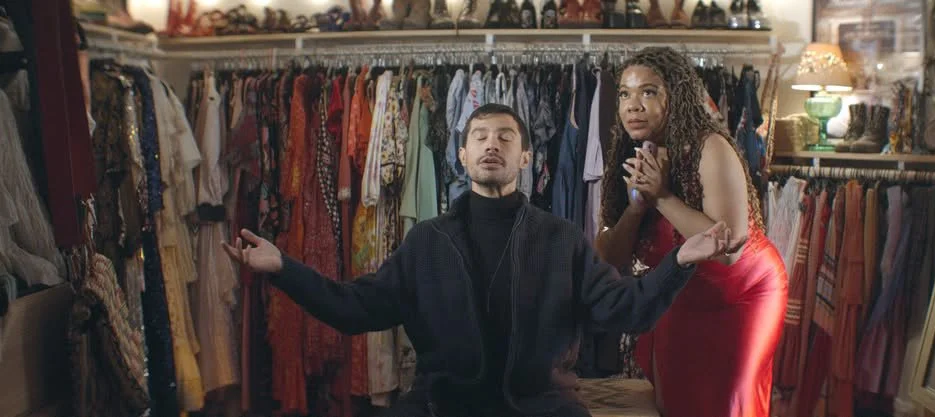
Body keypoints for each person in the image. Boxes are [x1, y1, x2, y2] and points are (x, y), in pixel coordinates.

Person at [223, 103, 743, 417]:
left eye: (505, 137)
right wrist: (284, 269)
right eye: (479, 137)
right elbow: (355, 308)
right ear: (462, 156)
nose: (491, 145)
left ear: (525, 158)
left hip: (542, 407)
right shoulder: (427, 241)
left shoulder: (561, 238)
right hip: (441, 406)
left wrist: (680, 260)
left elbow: (624, 310)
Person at [595, 47, 788, 417]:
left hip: (742, 294)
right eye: (624, 94)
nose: (633, 105)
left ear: (676, 94)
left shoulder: (709, 148)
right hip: (681, 295)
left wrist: (662, 197)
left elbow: (728, 246)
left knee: (730, 403)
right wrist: (636, 209)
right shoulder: (631, 152)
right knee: (677, 401)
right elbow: (610, 258)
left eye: (648, 92)